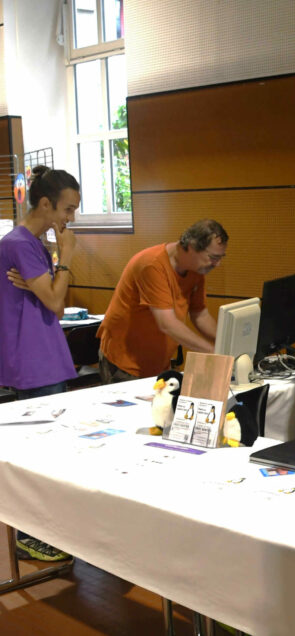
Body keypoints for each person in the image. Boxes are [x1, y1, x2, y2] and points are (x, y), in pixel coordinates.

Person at [0, 165, 81, 562]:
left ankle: (48, 529)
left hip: (45, 357)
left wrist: (51, 276)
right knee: (40, 456)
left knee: (53, 451)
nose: (70, 220)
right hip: (33, 361)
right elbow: (54, 301)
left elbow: (55, 302)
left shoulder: (32, 244)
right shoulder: (20, 242)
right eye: (67, 210)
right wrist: (64, 259)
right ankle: (32, 534)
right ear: (46, 204)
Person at [97, 219, 228, 382]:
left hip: (157, 363)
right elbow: (167, 323)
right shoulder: (152, 265)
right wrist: (212, 351)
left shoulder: (197, 269)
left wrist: (226, 342)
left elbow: (200, 314)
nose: (217, 264)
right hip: (125, 362)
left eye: (220, 257)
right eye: (213, 257)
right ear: (192, 247)